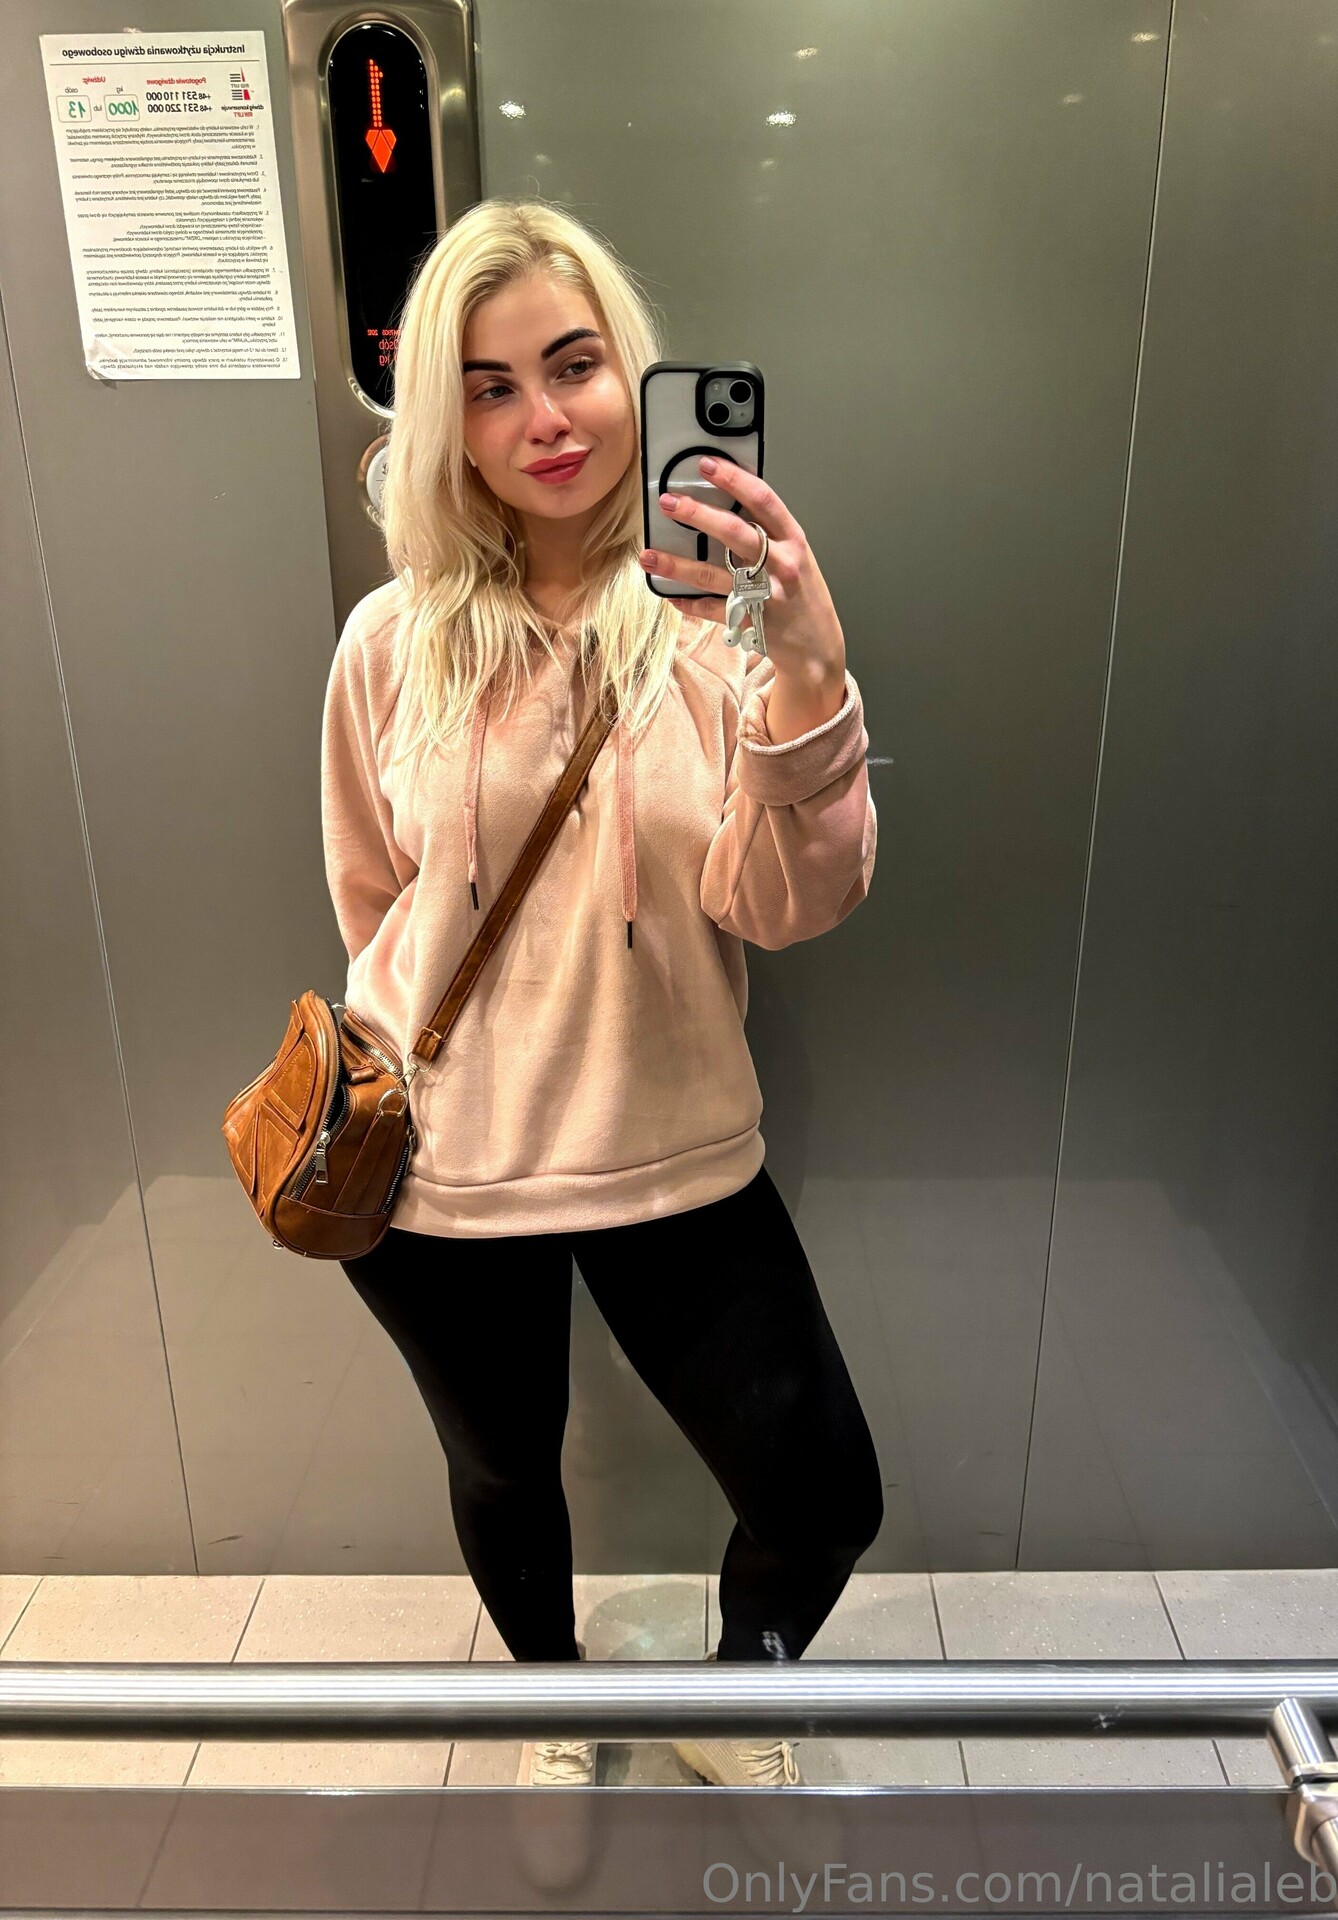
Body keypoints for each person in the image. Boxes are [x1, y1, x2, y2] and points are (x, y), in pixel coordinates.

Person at [321, 198, 883, 1789]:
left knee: (822, 1492)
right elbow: (370, 894)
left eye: (572, 366)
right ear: (447, 422)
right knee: (503, 1473)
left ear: (632, 373)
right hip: (444, 1174)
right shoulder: (392, 641)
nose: (544, 420)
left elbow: (790, 904)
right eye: (490, 388)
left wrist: (810, 675)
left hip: (673, 1149)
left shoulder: (724, 628)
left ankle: (736, 1698)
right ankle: (549, 1695)